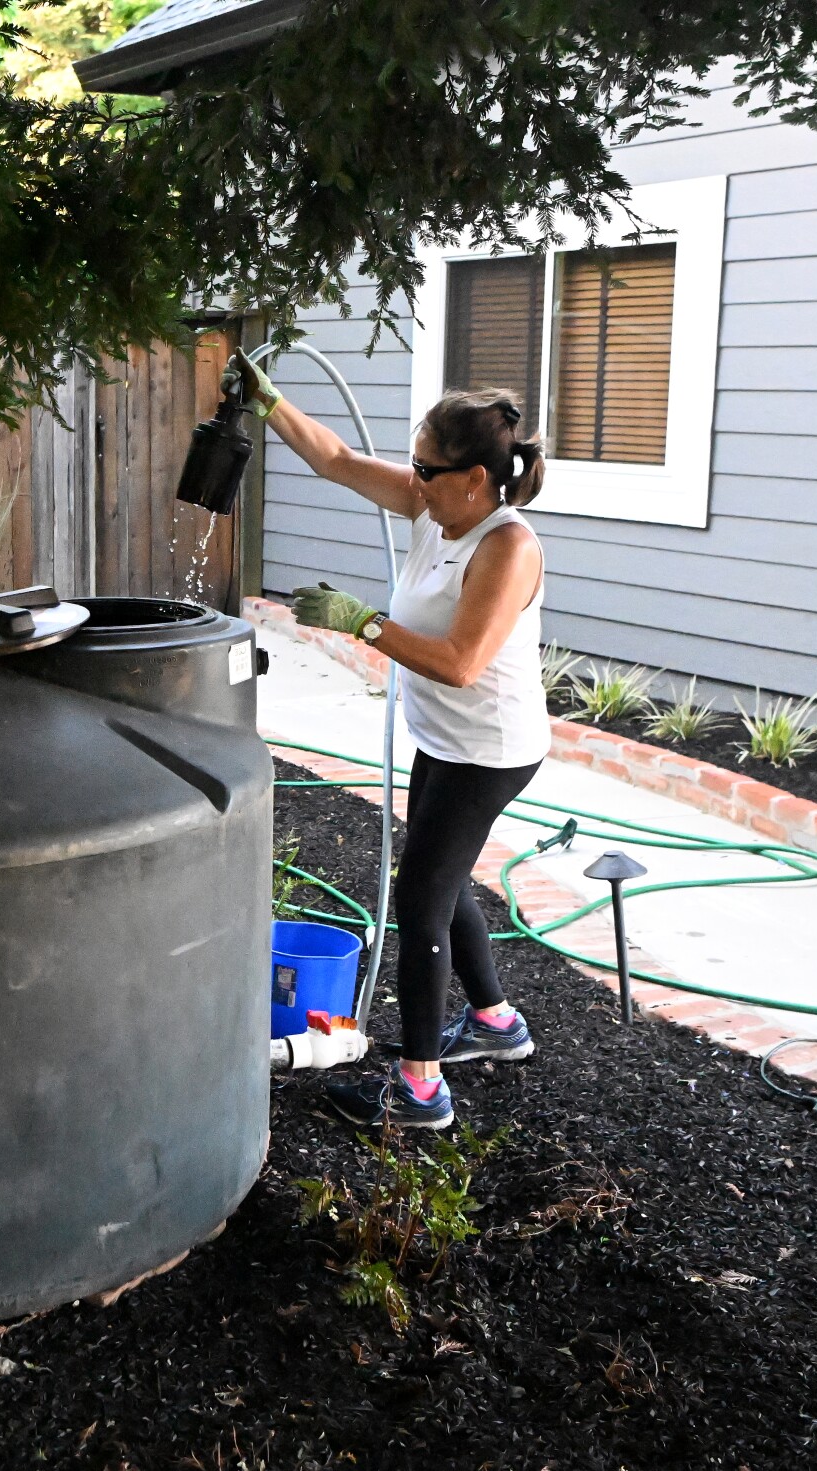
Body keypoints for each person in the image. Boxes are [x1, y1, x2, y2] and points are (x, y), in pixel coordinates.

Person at [227, 351, 550, 1129]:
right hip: (446, 738)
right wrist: (269, 403)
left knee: (421, 901)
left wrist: (362, 622)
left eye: (427, 469)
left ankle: (419, 1091)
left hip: (491, 749)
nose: (413, 478)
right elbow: (335, 459)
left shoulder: (507, 547)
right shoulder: (434, 506)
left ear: (474, 478)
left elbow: (461, 663)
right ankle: (498, 1022)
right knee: (443, 878)